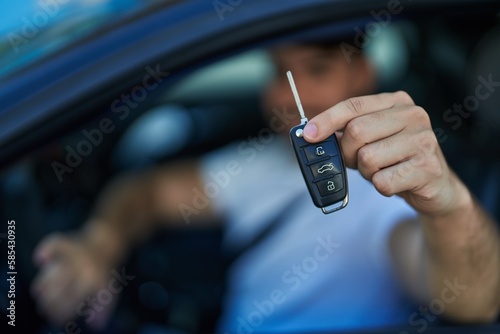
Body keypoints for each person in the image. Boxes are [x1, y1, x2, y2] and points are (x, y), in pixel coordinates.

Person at [31, 42, 500, 332]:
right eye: (279, 73)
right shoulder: (267, 160)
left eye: (317, 69)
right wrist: (99, 245)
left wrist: (449, 205)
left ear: (363, 76)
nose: (285, 96)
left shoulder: (394, 188)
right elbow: (148, 194)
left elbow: (475, 300)